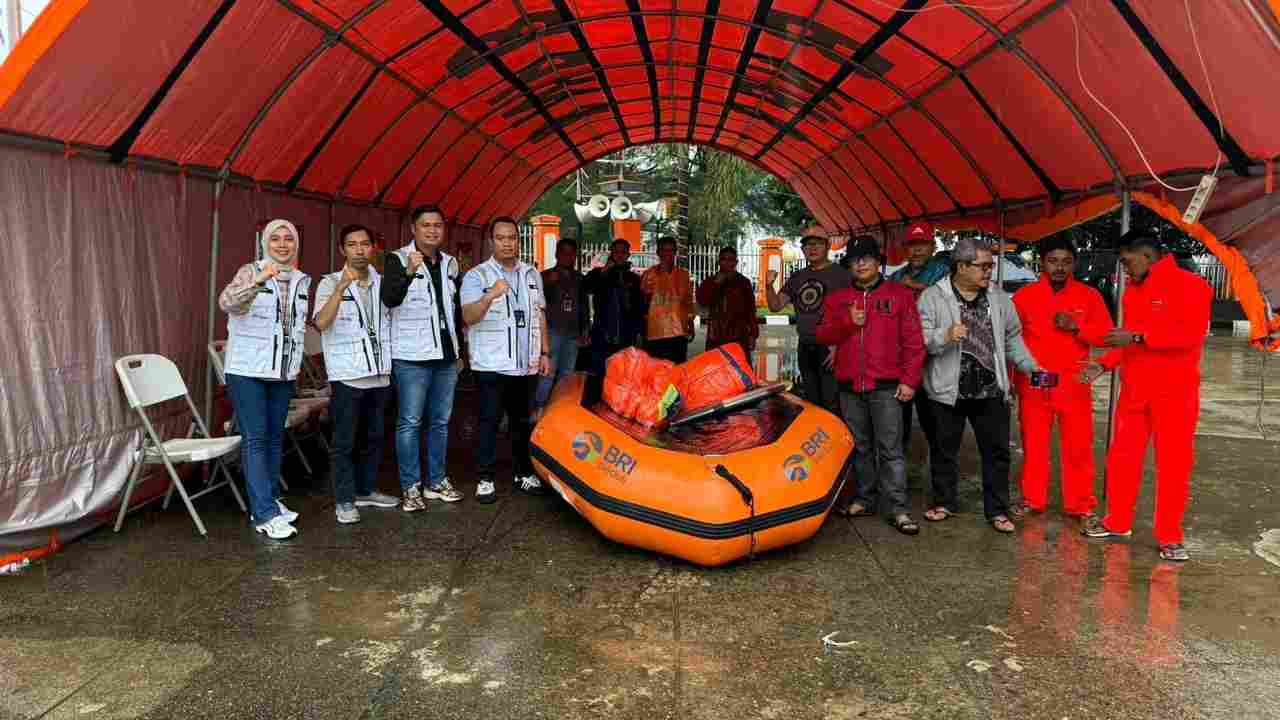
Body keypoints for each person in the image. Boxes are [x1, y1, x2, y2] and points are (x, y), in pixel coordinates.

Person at [1079, 231, 1212, 562]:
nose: (1123, 269)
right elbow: (1128, 343)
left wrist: (1139, 335)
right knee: (1122, 459)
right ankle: (1117, 522)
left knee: (1173, 467)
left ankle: (1170, 537)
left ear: (1146, 256)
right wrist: (1104, 364)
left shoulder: (1191, 285)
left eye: (1126, 261)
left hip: (1175, 396)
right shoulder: (1133, 292)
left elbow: (1191, 334)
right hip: (1136, 392)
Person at [918, 236, 1043, 533]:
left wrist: (1030, 366)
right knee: (943, 449)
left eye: (991, 266)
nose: (989, 271)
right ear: (961, 266)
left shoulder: (999, 299)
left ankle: (997, 511)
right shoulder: (932, 297)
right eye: (982, 266)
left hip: (990, 389)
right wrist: (945, 336)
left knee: (997, 452)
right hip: (948, 390)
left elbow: (1012, 338)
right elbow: (920, 342)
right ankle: (944, 502)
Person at [815, 237, 924, 534]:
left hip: (887, 386)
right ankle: (866, 498)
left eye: (866, 258)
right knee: (860, 446)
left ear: (879, 262)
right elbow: (823, 335)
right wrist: (848, 323)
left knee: (890, 449)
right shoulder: (838, 299)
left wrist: (910, 380)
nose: (860, 263)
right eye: (854, 259)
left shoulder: (900, 295)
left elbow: (914, 343)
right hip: (850, 386)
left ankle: (898, 508)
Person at [218, 219, 310, 539]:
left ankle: (270, 499)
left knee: (274, 437)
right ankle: (263, 514)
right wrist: (257, 281)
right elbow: (227, 303)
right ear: (265, 244)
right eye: (275, 239)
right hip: (247, 371)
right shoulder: (250, 270)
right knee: (256, 439)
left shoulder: (301, 280)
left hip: (282, 372)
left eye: (288, 239)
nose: (282, 244)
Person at [1011, 236, 1111, 519]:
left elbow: (1106, 337)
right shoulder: (1024, 297)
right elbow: (1011, 341)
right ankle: (1032, 499)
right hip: (1034, 382)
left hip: (1073, 383)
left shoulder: (1089, 296)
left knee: (1078, 447)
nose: (1059, 267)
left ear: (1074, 264)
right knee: (1034, 444)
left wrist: (1076, 327)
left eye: (1066, 262)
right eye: (1053, 261)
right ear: (1041, 262)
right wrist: (1009, 381)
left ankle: (1080, 504)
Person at [460, 217, 553, 503]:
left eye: (512, 237)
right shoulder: (477, 276)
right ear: (492, 241)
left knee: (522, 421)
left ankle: (523, 472)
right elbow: (468, 317)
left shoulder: (531, 274)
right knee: (488, 420)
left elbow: (540, 314)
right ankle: (485, 477)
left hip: (525, 364)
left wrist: (545, 353)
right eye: (501, 238)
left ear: (518, 240)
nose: (507, 243)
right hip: (491, 363)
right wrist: (491, 295)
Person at [381, 204, 464, 512]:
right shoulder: (397, 259)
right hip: (411, 356)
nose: (432, 230)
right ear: (413, 229)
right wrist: (408, 272)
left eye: (438, 226)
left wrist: (459, 351)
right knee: (410, 422)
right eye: (426, 225)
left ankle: (436, 481)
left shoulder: (450, 263)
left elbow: (452, 310)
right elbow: (389, 299)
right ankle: (411, 486)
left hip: (445, 354)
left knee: (440, 422)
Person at [313, 224, 398, 525]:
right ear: (342, 250)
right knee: (345, 441)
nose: (359, 250)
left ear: (373, 247)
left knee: (374, 437)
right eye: (352, 245)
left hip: (380, 372)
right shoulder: (328, 283)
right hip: (348, 374)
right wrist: (341, 288)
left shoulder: (382, 282)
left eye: (365, 244)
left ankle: (366, 490)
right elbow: (321, 323)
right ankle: (345, 500)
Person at [765, 234, 850, 412]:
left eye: (817, 244)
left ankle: (837, 438)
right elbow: (775, 306)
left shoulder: (842, 275)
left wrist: (839, 344)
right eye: (807, 245)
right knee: (811, 401)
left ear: (827, 247)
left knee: (832, 401)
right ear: (802, 250)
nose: (812, 248)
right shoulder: (798, 277)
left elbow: (852, 311)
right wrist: (768, 286)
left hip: (832, 347)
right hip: (805, 346)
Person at [890, 221, 949, 461]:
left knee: (934, 421)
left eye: (922, 245)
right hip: (901, 357)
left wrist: (913, 287)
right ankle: (899, 477)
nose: (916, 251)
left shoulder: (943, 272)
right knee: (898, 421)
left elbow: (948, 299)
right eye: (912, 246)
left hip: (933, 356)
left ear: (932, 247)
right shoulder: (896, 275)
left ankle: (941, 484)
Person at [535, 238, 589, 411]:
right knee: (547, 374)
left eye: (571, 253)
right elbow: (538, 307)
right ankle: (538, 410)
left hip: (573, 334)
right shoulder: (545, 276)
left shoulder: (579, 278)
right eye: (564, 252)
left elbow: (584, 306)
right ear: (557, 254)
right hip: (551, 332)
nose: (567, 256)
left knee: (567, 375)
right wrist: (549, 283)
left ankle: (557, 412)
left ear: (575, 256)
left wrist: (585, 329)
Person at [583, 239, 647, 375]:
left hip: (626, 335)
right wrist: (605, 271)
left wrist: (639, 332)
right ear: (611, 253)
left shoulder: (634, 279)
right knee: (598, 373)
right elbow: (586, 287)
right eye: (616, 251)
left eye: (623, 252)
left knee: (621, 374)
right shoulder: (598, 273)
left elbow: (640, 308)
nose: (619, 255)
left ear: (628, 255)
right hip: (602, 333)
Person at [696, 245, 758, 360]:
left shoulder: (744, 283)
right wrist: (715, 284)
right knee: (716, 372)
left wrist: (753, 335)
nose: (727, 263)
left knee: (739, 372)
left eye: (731, 260)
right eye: (724, 259)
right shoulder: (710, 281)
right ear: (719, 262)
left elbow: (751, 310)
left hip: (739, 336)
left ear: (736, 262)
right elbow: (702, 301)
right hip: (716, 335)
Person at [640, 236, 695, 363]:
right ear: (658, 253)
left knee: (676, 372)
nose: (667, 254)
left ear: (675, 252)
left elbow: (688, 301)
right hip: (655, 331)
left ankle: (672, 384)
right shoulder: (649, 274)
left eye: (671, 250)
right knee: (656, 371)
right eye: (664, 250)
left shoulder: (684, 275)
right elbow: (643, 303)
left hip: (678, 331)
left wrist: (690, 324)